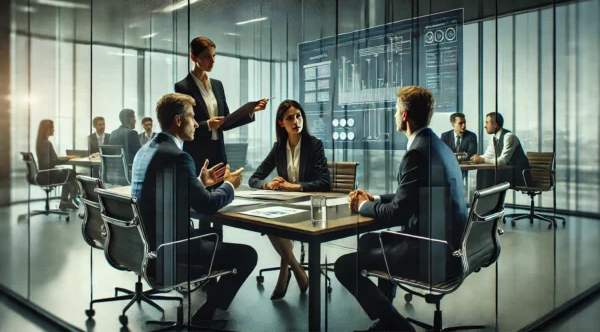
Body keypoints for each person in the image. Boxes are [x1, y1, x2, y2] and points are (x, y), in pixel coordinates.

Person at [335, 86, 467, 332]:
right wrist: (373, 197)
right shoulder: (438, 146)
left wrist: (363, 205)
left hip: (429, 253)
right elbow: (410, 195)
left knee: (344, 265)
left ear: (404, 115)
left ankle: (397, 326)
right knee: (367, 242)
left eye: (396, 111)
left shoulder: (416, 152)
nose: (394, 116)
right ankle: (388, 321)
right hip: (450, 247)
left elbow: (399, 213)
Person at [131, 93, 256, 323]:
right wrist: (229, 185)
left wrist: (198, 182)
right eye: (192, 117)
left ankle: (210, 307)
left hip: (144, 245)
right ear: (179, 121)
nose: (197, 124)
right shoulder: (178, 157)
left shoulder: (145, 151)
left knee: (214, 239)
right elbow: (207, 206)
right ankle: (205, 317)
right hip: (171, 249)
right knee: (247, 255)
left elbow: (167, 190)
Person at [248, 100, 331, 300]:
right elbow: (254, 179)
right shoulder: (278, 148)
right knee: (268, 223)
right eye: (290, 118)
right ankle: (296, 268)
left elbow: (325, 183)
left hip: (310, 206)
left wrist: (295, 186)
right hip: (286, 205)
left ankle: (287, 271)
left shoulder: (314, 145)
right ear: (281, 123)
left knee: (274, 227)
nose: (296, 121)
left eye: (299, 116)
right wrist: (268, 185)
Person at [174, 36, 269, 175]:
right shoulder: (182, 87)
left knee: (220, 194)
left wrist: (250, 111)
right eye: (207, 56)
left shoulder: (217, 85)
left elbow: (225, 122)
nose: (212, 61)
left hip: (218, 152)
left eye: (214, 55)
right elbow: (183, 126)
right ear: (193, 58)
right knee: (199, 194)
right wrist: (208, 124)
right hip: (196, 152)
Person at [470, 112, 531, 187]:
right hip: (508, 173)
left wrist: (482, 160)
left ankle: (487, 198)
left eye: (487, 123)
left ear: (495, 125)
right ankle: (482, 197)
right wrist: (476, 158)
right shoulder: (495, 138)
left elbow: (503, 161)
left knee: (488, 173)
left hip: (520, 176)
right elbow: (488, 155)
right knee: (482, 170)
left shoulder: (509, 137)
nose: (485, 126)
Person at [35, 120, 80, 210]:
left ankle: (66, 200)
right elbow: (51, 162)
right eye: (52, 127)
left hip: (43, 174)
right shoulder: (46, 143)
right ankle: (69, 200)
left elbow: (50, 160)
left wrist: (64, 158)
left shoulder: (41, 142)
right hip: (48, 175)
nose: (54, 130)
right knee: (71, 174)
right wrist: (66, 158)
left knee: (69, 173)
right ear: (46, 129)